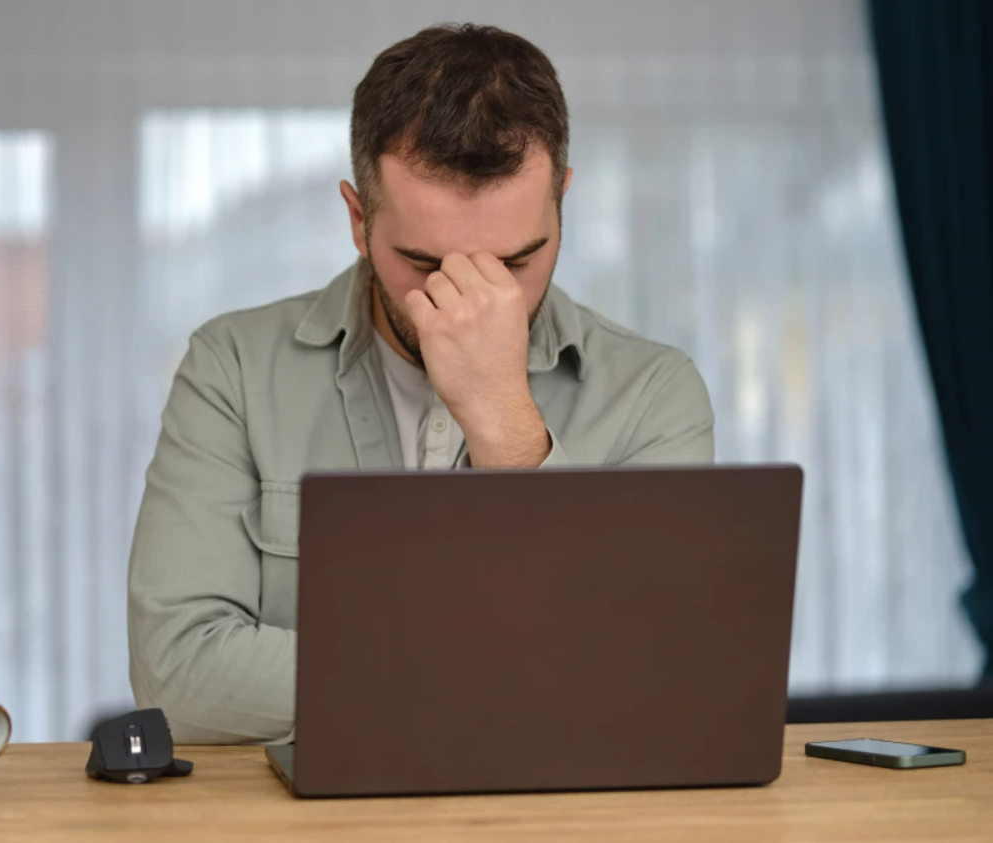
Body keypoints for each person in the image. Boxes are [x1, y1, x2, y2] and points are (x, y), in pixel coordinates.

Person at [128, 23, 714, 744]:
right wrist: (504, 670)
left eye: (518, 259)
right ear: (357, 219)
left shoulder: (655, 394)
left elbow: (649, 680)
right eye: (427, 264)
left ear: (562, 199)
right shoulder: (233, 369)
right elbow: (179, 678)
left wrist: (504, 421)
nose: (475, 297)